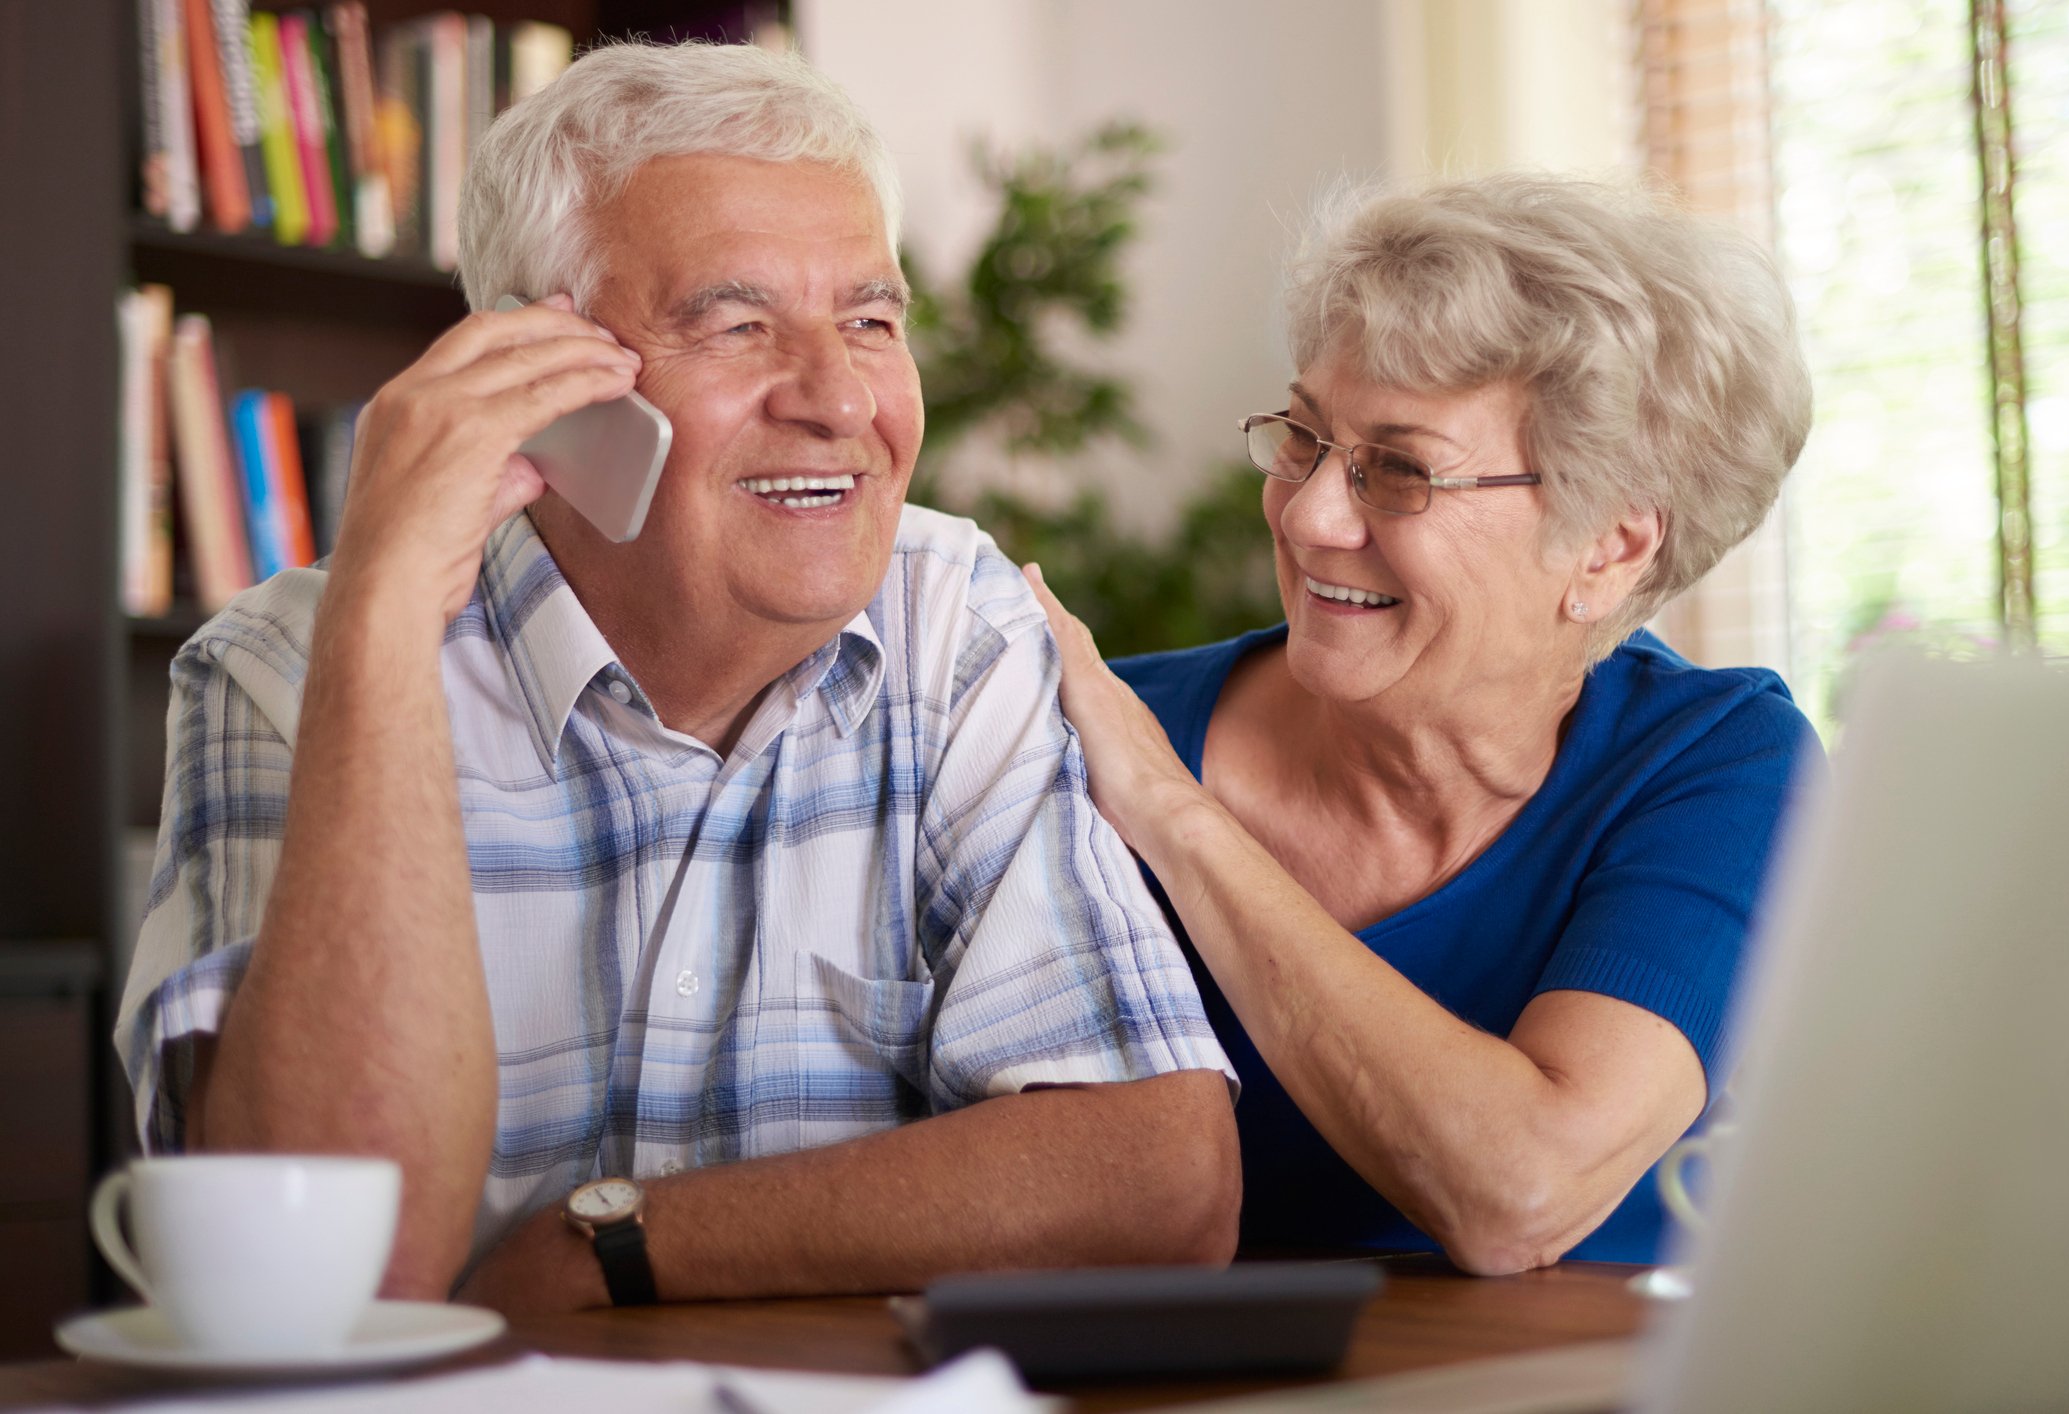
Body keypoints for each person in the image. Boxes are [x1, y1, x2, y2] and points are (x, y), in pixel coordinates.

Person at [116, 41, 1239, 1318]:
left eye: (871, 321)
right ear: (538, 388)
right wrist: (380, 629)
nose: (837, 398)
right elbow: (327, 1280)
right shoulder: (286, 667)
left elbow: (1159, 1181)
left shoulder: (954, 619)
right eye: (736, 324)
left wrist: (607, 1246)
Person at [1027, 175, 1818, 1271]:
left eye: (1397, 471)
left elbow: (1521, 1191)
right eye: (1301, 436)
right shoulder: (1083, 729)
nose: (1307, 514)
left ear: (1608, 548)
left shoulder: (1712, 765)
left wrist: (1174, 813)